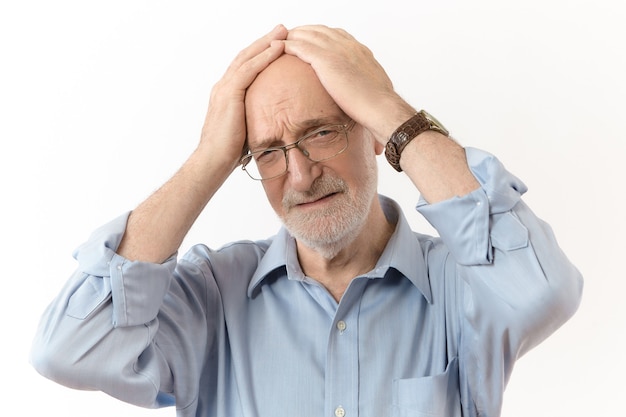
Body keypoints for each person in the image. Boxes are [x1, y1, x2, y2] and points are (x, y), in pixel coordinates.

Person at [31, 24, 583, 417]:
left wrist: (392, 110)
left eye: (321, 133)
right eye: (268, 152)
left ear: (371, 133)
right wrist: (210, 157)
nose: (298, 175)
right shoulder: (212, 298)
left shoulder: (461, 286)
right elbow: (67, 350)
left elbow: (545, 290)